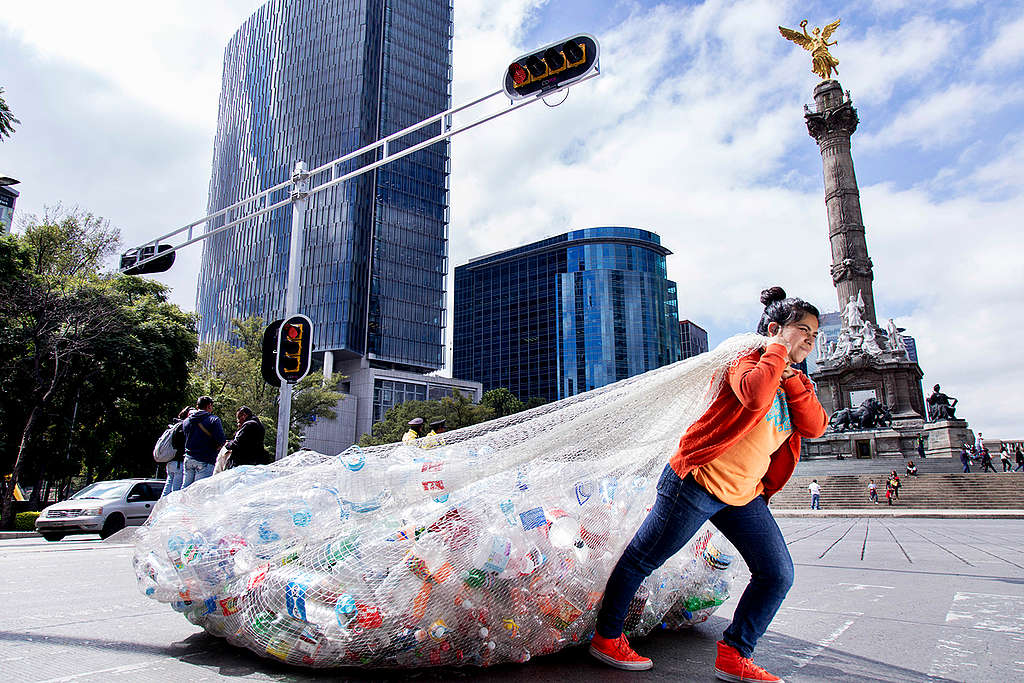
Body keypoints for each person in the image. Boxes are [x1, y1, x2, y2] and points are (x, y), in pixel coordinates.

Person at [589, 286, 827, 682]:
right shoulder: (742, 360)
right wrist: (776, 352)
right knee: (644, 558)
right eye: (802, 329)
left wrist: (794, 379)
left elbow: (815, 426)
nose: (810, 339)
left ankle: (735, 654)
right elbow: (752, 396)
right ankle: (607, 637)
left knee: (777, 573)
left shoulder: (792, 380)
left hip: (744, 495)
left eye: (815, 334)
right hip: (697, 480)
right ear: (774, 329)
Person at [181, 396, 226, 488]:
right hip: (205, 459)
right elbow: (221, 440)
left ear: (197, 406)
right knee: (199, 491)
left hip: (188, 458)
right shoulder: (214, 420)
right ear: (209, 406)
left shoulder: (186, 421)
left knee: (185, 489)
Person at [160, 406, 191, 497]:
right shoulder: (183, 427)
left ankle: (161, 508)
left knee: (167, 489)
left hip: (171, 461)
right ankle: (171, 510)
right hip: (179, 463)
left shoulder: (174, 426)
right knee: (175, 493)